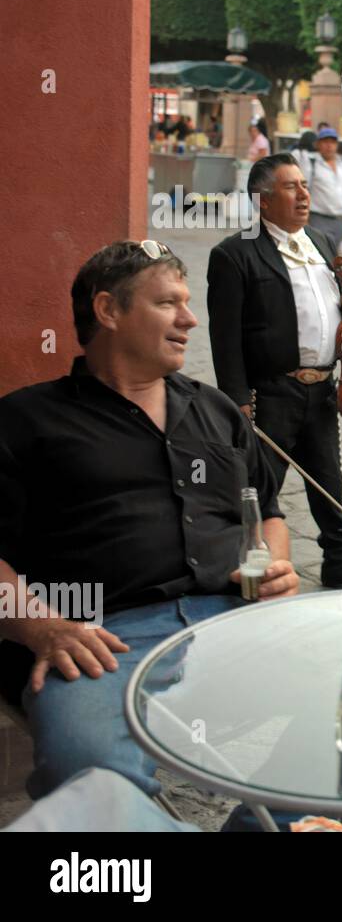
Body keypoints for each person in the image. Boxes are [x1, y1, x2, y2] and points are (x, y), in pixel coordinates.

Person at [0, 240, 300, 804]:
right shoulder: (24, 421)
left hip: (234, 623)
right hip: (104, 641)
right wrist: (40, 627)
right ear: (109, 311)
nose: (190, 319)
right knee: (87, 779)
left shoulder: (215, 410)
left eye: (187, 303)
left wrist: (275, 563)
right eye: (168, 304)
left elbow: (270, 511)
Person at [207, 153, 342, 592]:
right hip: (271, 392)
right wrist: (237, 398)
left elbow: (331, 303)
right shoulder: (235, 254)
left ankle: (340, 562)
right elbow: (224, 335)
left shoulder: (322, 242)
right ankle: (247, 563)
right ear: (263, 200)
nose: (304, 194)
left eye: (305, 185)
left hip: (321, 387)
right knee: (257, 485)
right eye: (291, 187)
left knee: (329, 479)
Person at [299, 126, 342, 279]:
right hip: (318, 218)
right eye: (325, 142)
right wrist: (303, 216)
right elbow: (303, 190)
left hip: (339, 220)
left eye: (332, 142)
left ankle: (334, 280)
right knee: (321, 256)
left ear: (337, 145)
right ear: (318, 144)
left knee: (332, 254)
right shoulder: (311, 163)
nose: (329, 145)